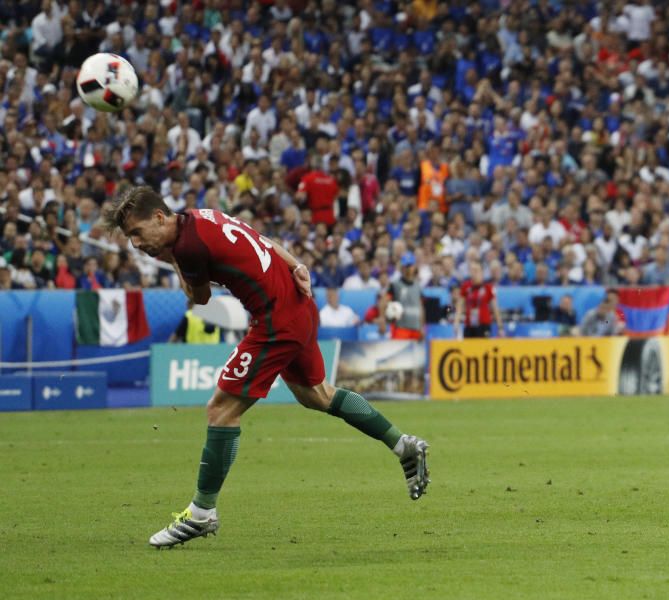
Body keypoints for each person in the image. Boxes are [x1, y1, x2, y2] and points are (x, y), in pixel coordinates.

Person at [104, 186, 429, 549]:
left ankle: (201, 513)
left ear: (160, 218)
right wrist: (297, 265)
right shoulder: (201, 216)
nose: (135, 243)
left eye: (137, 232)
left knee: (221, 410)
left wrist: (174, 261)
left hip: (276, 321)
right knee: (318, 395)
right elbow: (260, 238)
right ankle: (404, 446)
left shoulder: (187, 248)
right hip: (298, 302)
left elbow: (200, 298)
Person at [453, 261, 504, 338]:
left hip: (484, 324)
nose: (474, 273)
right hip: (469, 325)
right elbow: (459, 306)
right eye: (472, 270)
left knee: (483, 348)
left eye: (476, 270)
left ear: (482, 272)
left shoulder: (488, 288)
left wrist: (500, 327)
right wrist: (456, 322)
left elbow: (495, 308)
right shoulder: (465, 287)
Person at [388, 252, 424, 340]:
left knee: (417, 354)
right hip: (401, 328)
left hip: (416, 329)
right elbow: (385, 301)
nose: (408, 269)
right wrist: (384, 318)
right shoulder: (395, 285)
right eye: (406, 266)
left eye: (410, 265)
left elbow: (421, 307)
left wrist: (422, 327)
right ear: (402, 267)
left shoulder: (418, 286)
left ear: (414, 267)